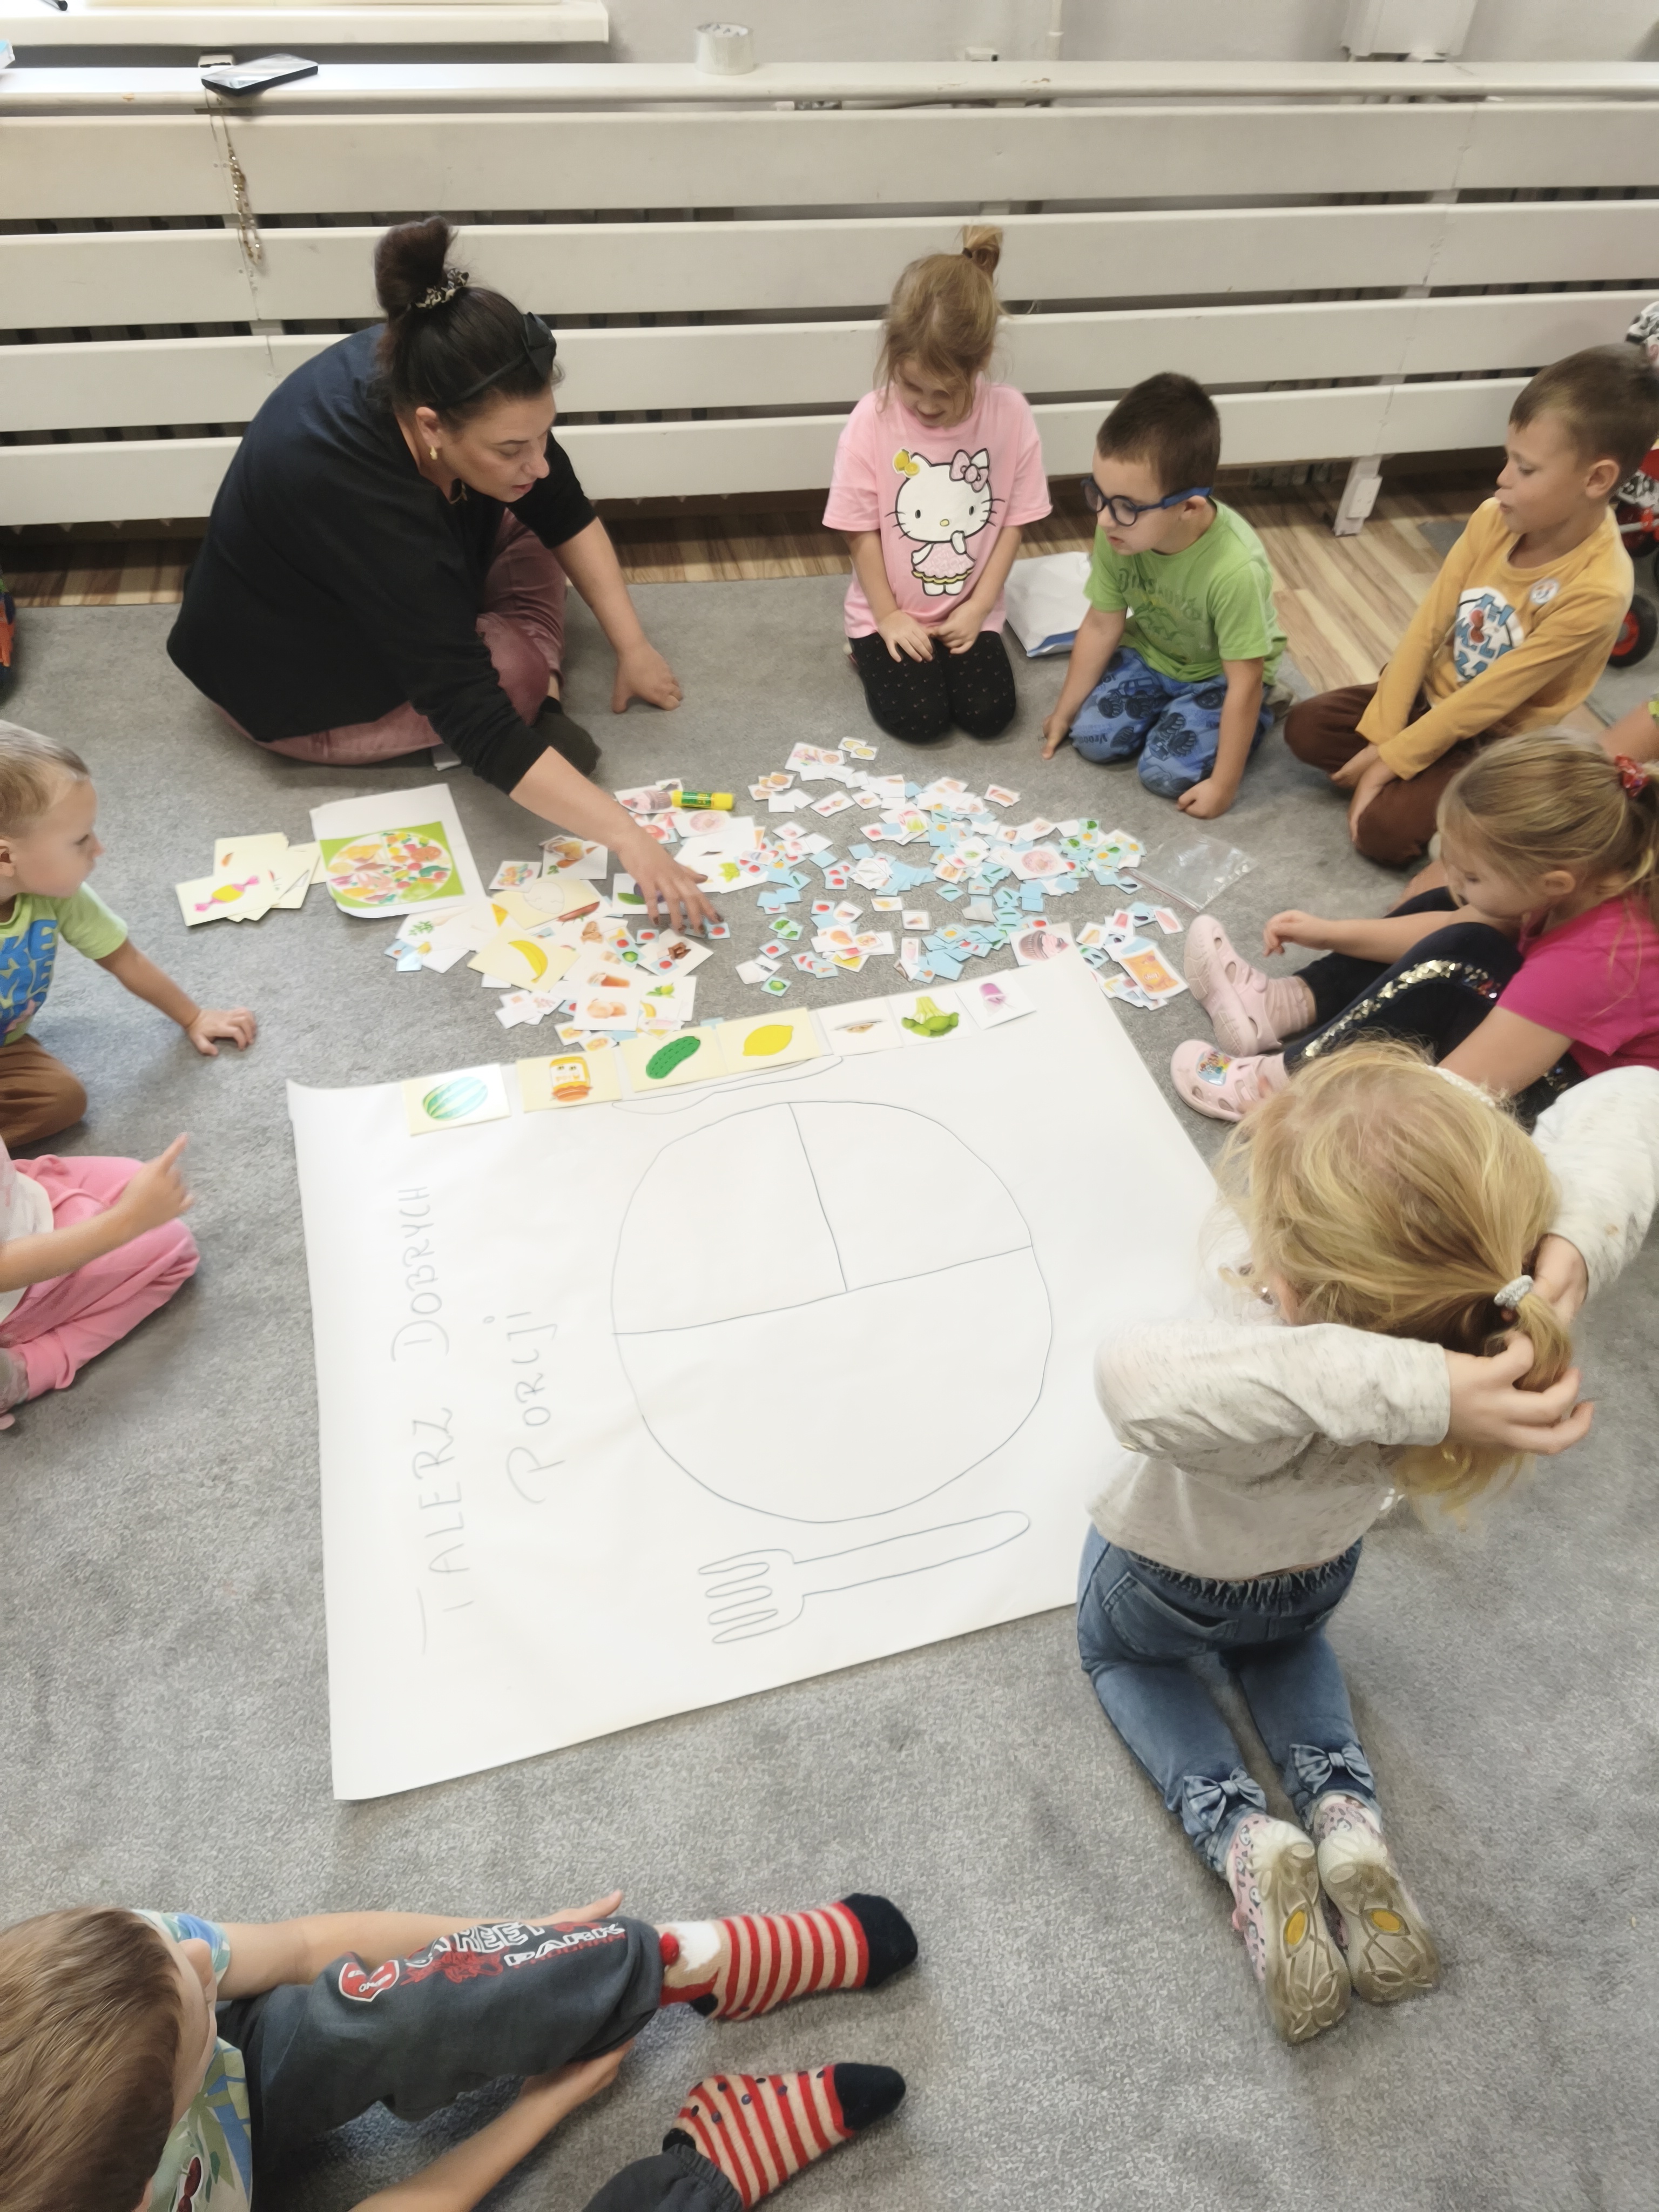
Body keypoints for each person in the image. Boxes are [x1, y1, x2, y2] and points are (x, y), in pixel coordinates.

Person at [1078, 1043, 1657, 2042]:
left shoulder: (1267, 1344)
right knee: (1287, 1645)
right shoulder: (1479, 1325)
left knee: (1119, 1656)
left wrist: (1421, 1384)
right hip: (1316, 1573)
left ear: (1294, 1280)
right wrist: (1560, 1268)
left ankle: (1242, 1834)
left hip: (1166, 1579)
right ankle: (1345, 1819)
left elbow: (1130, 1378)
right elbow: (1636, 1096)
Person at [167, 217, 713, 932]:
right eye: (512, 446)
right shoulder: (361, 497)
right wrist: (629, 838)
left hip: (375, 576)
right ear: (432, 426)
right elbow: (472, 714)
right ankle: (540, 696)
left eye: (544, 434)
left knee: (524, 507)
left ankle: (519, 673)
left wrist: (632, 646)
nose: (538, 459)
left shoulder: (426, 356)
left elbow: (561, 505)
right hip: (288, 682)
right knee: (513, 674)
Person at [0, 1889, 916, 2212]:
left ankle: (686, 1964)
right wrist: (538, 2108)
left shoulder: (130, 1964)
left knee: (363, 2013)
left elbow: (309, 1946)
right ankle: (701, 2175)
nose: (206, 1962)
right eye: (195, 1993)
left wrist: (500, 1949)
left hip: (222, 2093)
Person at [1284, 344, 1659, 867]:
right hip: (1431, 698)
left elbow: (1488, 702)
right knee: (1304, 727)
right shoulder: (1492, 517)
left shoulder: (1599, 589)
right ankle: (1426, 785)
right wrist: (1385, 734)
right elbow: (1428, 626)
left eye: (1526, 469)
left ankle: (1473, 803)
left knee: (1382, 835)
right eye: (1509, 458)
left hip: (1492, 737)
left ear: (1596, 479)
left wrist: (1386, 764)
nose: (1502, 478)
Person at [1169, 730, 1659, 1122]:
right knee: (1454, 913)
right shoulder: (1576, 880)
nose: (1458, 880)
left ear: (1554, 883)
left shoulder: (1592, 960)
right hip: (1540, 1049)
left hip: (1566, 1116)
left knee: (1461, 959)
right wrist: (1330, 932)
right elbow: (1447, 924)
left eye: (1472, 873)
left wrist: (1325, 1116)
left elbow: (1453, 1094)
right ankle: (1283, 1005)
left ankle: (1279, 1090)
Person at [823, 226, 1051, 744]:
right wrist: (888, 617)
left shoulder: (1012, 415)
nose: (926, 405)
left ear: (982, 359)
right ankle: (861, 648)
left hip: (969, 608)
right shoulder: (870, 420)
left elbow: (1013, 523)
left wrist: (979, 608)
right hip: (888, 611)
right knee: (920, 721)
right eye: (912, 386)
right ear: (892, 354)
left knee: (990, 716)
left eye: (945, 392)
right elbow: (858, 532)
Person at [1039, 372, 1284, 817]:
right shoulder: (1117, 531)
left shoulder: (1235, 571)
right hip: (1151, 654)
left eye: (1127, 506)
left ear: (1188, 507)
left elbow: (1244, 682)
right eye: (1099, 495)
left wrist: (1223, 786)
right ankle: (1170, 709)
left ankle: (1264, 715)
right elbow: (1101, 624)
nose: (1104, 519)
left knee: (1164, 774)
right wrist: (1063, 713)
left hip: (1220, 676)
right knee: (1091, 739)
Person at [0, 722, 254, 1150]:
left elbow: (125, 959)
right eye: (81, 840)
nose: (98, 849)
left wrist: (193, 1017)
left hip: (7, 1046)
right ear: (6, 856)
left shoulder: (56, 897)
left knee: (62, 1100)